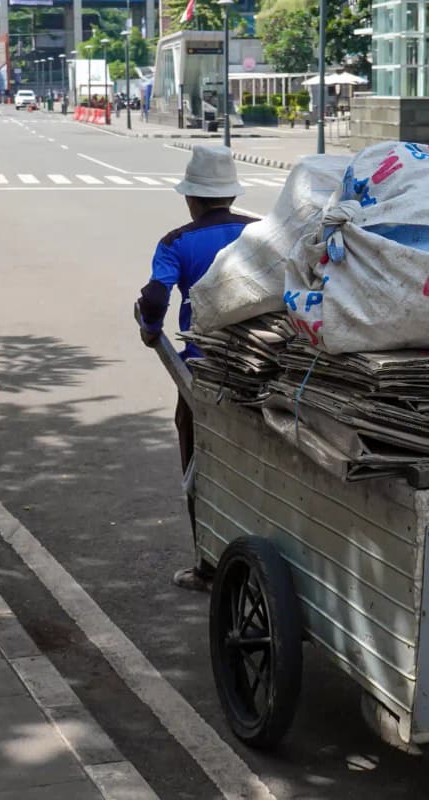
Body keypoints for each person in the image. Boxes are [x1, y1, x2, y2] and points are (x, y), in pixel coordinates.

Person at [136, 147, 256, 591]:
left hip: (201, 376)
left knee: (198, 467)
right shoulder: (259, 233)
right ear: (230, 194)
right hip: (261, 368)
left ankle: (207, 567)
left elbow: (155, 298)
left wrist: (150, 329)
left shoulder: (176, 242)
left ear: (191, 198)